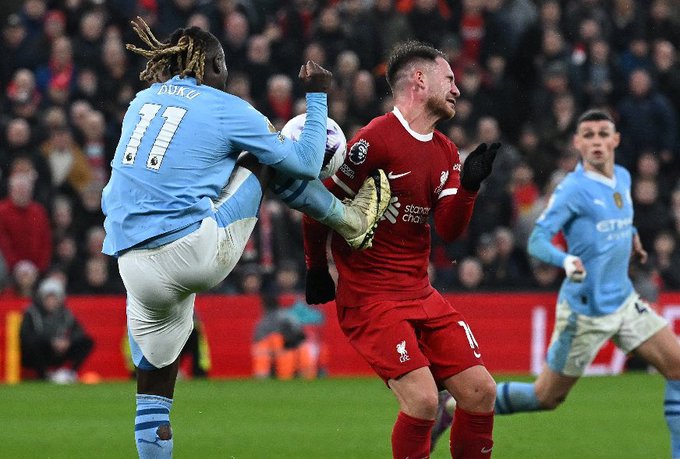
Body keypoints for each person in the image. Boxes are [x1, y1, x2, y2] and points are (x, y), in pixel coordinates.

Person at [100, 18, 390, 459]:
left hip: (131, 262)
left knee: (154, 390)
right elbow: (306, 162)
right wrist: (317, 96)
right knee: (267, 156)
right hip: (190, 251)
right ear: (215, 65)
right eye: (224, 66)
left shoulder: (140, 101)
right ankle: (349, 220)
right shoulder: (224, 106)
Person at [433, 109, 680, 457]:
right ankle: (452, 407)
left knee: (678, 367)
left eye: (603, 134)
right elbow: (538, 241)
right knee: (545, 396)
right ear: (578, 143)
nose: (596, 141)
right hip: (584, 313)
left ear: (615, 140)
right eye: (588, 135)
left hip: (625, 302)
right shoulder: (572, 190)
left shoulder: (622, 178)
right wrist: (565, 260)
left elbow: (619, 220)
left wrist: (634, 239)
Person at [303, 41, 499, 458]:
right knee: (424, 400)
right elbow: (318, 205)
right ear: (420, 80)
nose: (457, 89)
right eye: (449, 79)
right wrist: (316, 268)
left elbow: (448, 230)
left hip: (420, 293)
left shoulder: (446, 151)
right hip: (370, 298)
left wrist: (468, 187)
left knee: (481, 391)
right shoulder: (375, 139)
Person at [19, 278, 94, 383]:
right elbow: (25, 335)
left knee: (87, 342)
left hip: (59, 350)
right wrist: (50, 341)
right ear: (41, 298)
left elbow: (79, 331)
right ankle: (43, 375)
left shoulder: (65, 313)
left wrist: (68, 341)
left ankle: (71, 373)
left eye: (54, 298)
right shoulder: (31, 313)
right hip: (39, 352)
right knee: (32, 344)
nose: (51, 302)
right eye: (48, 298)